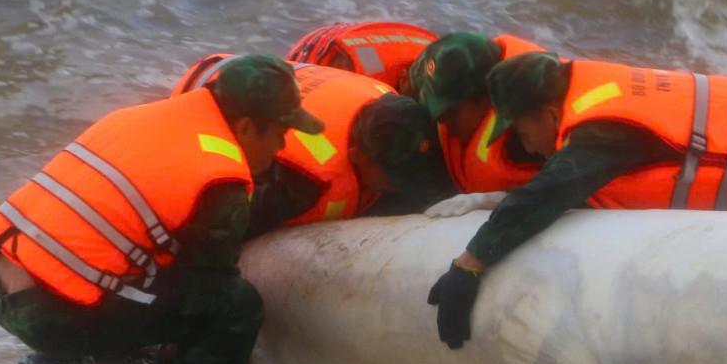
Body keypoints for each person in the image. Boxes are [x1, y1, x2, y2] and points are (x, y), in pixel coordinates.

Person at [427, 52, 727, 348]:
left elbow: (547, 193)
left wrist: (470, 264)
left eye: (523, 133)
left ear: (548, 113)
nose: (527, 147)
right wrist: (490, 200)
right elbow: (566, 187)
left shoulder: (603, 130)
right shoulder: (602, 97)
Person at [0, 54, 323, 364]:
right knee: (236, 306)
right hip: (52, 316)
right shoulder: (221, 178)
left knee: (135, 269)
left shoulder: (134, 118)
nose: (282, 147)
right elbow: (210, 290)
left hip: (3, 287)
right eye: (282, 132)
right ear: (248, 127)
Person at [171, 53, 452, 232]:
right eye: (394, 177)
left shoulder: (391, 104)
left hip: (246, 68)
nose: (399, 185)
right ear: (357, 156)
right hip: (205, 91)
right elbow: (218, 236)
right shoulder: (298, 184)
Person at [400, 31, 550, 194]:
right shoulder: (469, 67)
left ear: (488, 97)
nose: (443, 121)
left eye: (451, 112)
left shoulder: (528, 135)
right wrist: (408, 96)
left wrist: (497, 199)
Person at [286, 21, 438, 90]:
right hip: (314, 58)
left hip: (349, 37)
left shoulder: (437, 55)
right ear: (403, 80)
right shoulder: (364, 82)